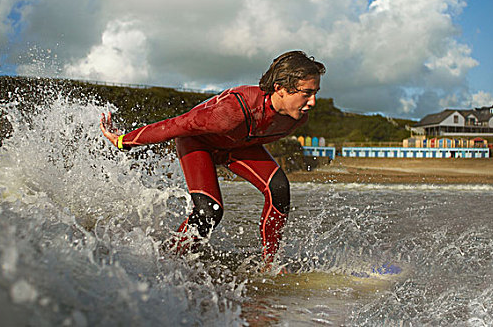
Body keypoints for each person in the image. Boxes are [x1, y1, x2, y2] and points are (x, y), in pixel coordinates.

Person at [100, 50, 325, 268]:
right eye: (307, 93)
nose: (313, 102)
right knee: (210, 211)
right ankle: (166, 260)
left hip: (237, 146)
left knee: (279, 189)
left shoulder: (296, 119)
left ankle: (270, 264)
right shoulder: (233, 110)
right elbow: (177, 125)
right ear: (280, 89)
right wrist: (123, 141)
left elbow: (253, 136)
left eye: (315, 92)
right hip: (199, 143)